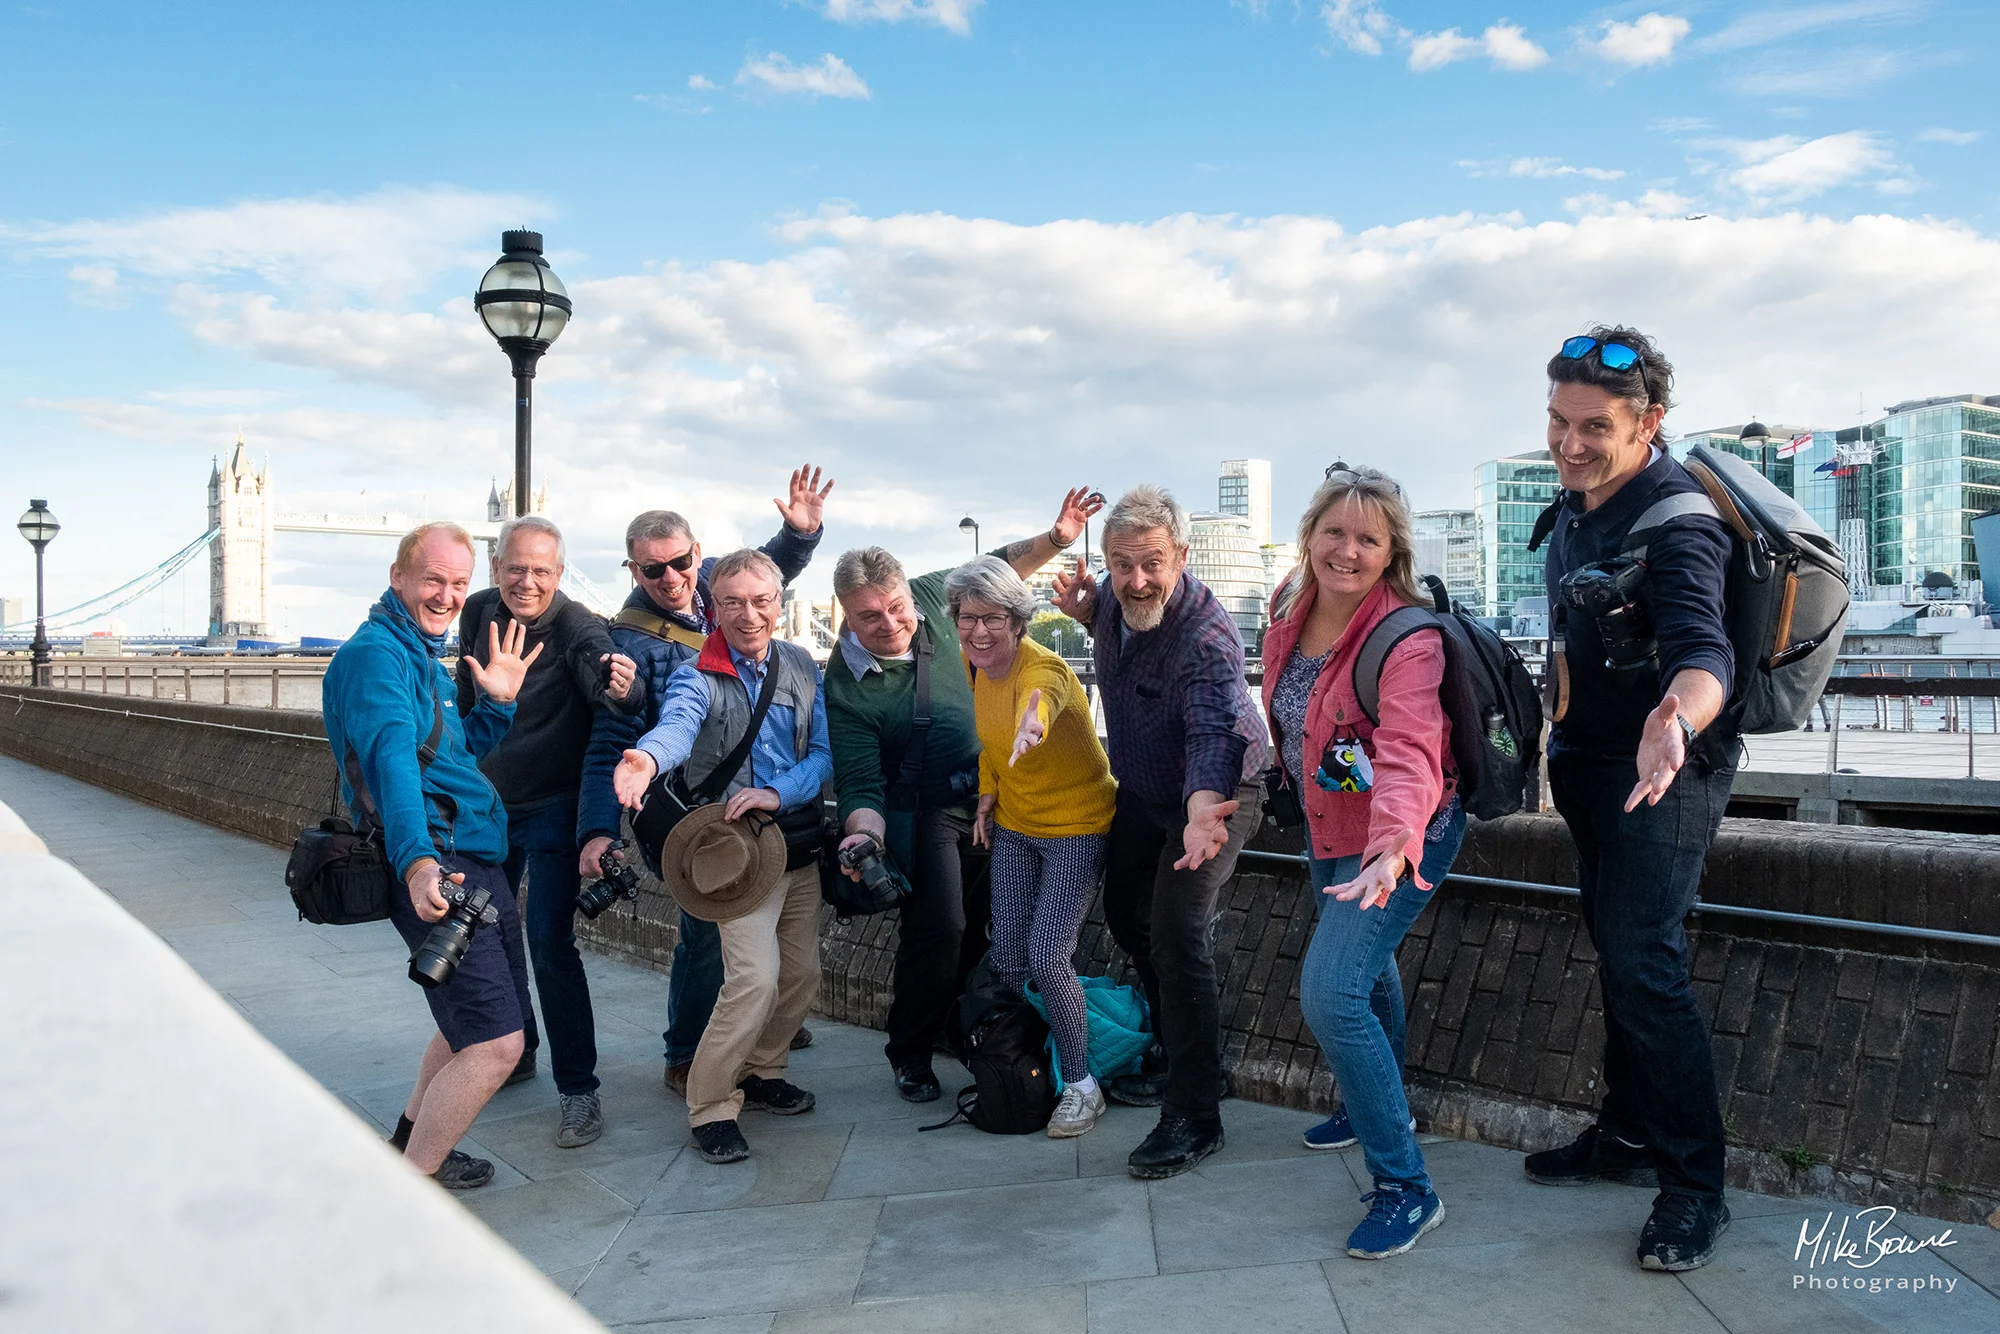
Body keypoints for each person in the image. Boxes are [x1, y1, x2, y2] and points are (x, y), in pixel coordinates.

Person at [1524, 326, 1737, 1273]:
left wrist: (1675, 722)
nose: (1570, 443)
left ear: (1649, 422)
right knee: (1616, 949)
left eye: (1595, 426)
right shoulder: (1576, 504)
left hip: (1664, 772)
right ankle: (1627, 1134)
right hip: (1591, 760)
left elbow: (1705, 651)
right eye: (1560, 421)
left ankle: (1696, 1191)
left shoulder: (1678, 518)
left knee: (1646, 962)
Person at [825, 487, 1104, 1102]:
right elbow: (860, 778)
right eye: (869, 617)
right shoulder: (845, 684)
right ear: (846, 613)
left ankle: (970, 1026)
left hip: (994, 794)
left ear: (909, 592)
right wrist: (862, 834)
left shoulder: (934, 598)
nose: (891, 624)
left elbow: (1002, 567)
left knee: (991, 930)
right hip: (926, 809)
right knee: (941, 927)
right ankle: (911, 1050)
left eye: (896, 607)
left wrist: (1058, 538)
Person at [1260, 465, 1464, 1260]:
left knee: (1331, 991)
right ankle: (1376, 1103)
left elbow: (1414, 750)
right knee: (1369, 973)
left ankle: (1407, 1188)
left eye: (1368, 539)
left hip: (1402, 835)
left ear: (1391, 553)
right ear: (1310, 534)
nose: (1347, 550)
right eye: (1334, 532)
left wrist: (1392, 846)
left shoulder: (1406, 636)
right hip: (1329, 824)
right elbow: (1285, 720)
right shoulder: (1289, 607)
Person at [578, 466, 833, 1099]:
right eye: (652, 569)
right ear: (633, 572)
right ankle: (689, 1058)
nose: (670, 577)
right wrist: (612, 802)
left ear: (698, 557)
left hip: (777, 823)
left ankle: (757, 1048)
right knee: (707, 940)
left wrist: (799, 536)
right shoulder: (632, 640)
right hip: (695, 813)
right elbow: (654, 729)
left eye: (681, 562)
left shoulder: (786, 653)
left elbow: (760, 574)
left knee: (785, 970)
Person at [1052, 485, 1268, 1179]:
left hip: (1216, 796)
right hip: (1145, 790)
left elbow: (1213, 729)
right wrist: (1087, 614)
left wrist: (1204, 807)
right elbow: (1121, 632)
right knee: (1122, 912)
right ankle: (1181, 1050)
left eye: (1152, 564)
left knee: (1177, 934)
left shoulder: (1207, 638)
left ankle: (1196, 1112)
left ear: (1181, 554)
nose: (1137, 580)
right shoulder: (1115, 599)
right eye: (1122, 566)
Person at [322, 522, 539, 1190]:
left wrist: (498, 705)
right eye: (432, 580)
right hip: (442, 865)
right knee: (499, 1044)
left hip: (473, 858)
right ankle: (410, 1192)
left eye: (457, 583)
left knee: (465, 1024)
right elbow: (392, 765)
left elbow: (447, 757)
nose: (447, 595)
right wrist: (416, 862)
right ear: (398, 578)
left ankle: (408, 1146)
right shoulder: (378, 657)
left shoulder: (416, 652)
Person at [610, 549, 833, 1164]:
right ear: (715, 608)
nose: (748, 614)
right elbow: (679, 725)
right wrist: (648, 758)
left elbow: (822, 755)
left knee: (801, 973)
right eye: (732, 602)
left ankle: (762, 1069)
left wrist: (777, 791)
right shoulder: (697, 672)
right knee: (752, 980)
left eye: (761, 601)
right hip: (737, 855)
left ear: (779, 606)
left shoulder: (801, 666)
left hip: (798, 844)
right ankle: (710, 1104)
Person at [454, 515, 644, 1149]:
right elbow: (465, 703)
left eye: (541, 570)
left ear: (559, 574)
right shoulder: (478, 611)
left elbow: (607, 674)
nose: (526, 582)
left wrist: (622, 680)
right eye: (516, 568)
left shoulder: (577, 625)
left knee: (548, 944)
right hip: (489, 806)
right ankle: (518, 1048)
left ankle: (579, 1091)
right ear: (496, 569)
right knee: (487, 936)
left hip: (557, 811)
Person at [949, 556, 1118, 1137]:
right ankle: (1027, 1060)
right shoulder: (977, 671)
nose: (979, 631)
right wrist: (987, 797)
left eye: (993, 618)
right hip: (1018, 828)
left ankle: (1081, 1084)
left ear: (1018, 620)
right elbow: (991, 746)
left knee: (1048, 957)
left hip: (1076, 828)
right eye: (968, 618)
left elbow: (1038, 703)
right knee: (1009, 958)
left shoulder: (1043, 670)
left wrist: (1034, 724)